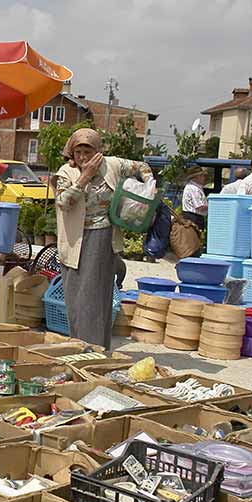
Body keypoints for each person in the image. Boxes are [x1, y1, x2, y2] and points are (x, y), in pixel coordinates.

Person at [55, 128, 154, 350]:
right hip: (75, 241)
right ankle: (81, 346)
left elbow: (142, 167)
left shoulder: (113, 165)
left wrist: (148, 184)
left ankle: (96, 348)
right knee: (77, 299)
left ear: (98, 151)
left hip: (103, 236)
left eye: (88, 151)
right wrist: (84, 177)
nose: (83, 157)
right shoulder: (66, 173)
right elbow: (63, 202)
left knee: (97, 296)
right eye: (78, 151)